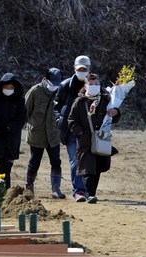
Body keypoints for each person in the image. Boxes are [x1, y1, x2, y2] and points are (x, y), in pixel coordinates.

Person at [68, 73, 120, 204]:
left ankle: (92, 193)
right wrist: (80, 133)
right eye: (91, 84)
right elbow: (71, 120)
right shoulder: (79, 102)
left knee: (98, 167)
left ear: (100, 85)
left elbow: (114, 118)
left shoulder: (107, 100)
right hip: (85, 141)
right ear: (85, 86)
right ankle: (90, 194)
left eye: (96, 84)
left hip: (101, 139)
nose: (94, 86)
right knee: (88, 168)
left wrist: (116, 112)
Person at [24, 68, 66, 198]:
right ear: (45, 79)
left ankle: (56, 189)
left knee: (56, 161)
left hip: (53, 134)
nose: (54, 87)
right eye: (52, 83)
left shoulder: (61, 91)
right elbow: (25, 110)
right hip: (37, 134)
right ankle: (29, 189)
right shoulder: (35, 91)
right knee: (34, 162)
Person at [55, 55, 91, 202]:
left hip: (88, 131)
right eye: (79, 69)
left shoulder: (94, 85)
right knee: (75, 161)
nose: (82, 71)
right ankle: (78, 191)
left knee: (88, 161)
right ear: (75, 68)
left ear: (89, 69)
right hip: (70, 130)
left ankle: (88, 190)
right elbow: (56, 105)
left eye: (85, 69)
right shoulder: (65, 85)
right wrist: (59, 120)